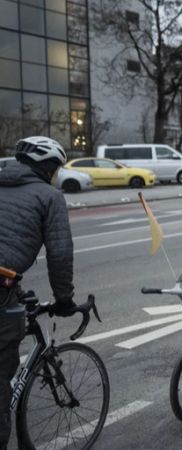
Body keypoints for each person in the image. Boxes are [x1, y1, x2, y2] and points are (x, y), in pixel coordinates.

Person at [1, 137, 77, 450]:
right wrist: (64, 299)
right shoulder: (49, 196)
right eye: (57, 168)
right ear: (47, 168)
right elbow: (59, 253)